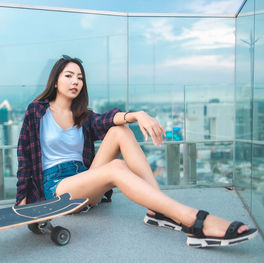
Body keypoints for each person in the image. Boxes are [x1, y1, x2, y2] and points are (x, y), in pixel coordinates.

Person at [15, 55, 257, 247]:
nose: (76, 81)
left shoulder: (83, 116)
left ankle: (157, 209)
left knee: (120, 131)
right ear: (56, 80)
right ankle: (193, 220)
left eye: (80, 77)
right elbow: (24, 157)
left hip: (85, 180)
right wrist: (23, 203)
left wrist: (137, 115)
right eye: (69, 75)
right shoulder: (37, 111)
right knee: (117, 166)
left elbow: (108, 120)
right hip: (57, 188)